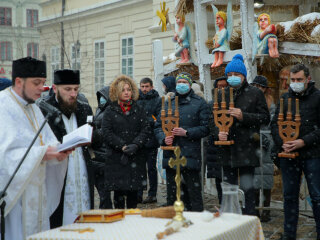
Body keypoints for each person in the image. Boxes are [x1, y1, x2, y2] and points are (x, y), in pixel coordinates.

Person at [0, 57, 70, 240]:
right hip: (16, 200)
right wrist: (42, 154)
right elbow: (4, 157)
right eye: (37, 83)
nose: (42, 88)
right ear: (18, 81)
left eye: (44, 83)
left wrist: (59, 152)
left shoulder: (34, 108)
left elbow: (46, 142)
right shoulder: (3, 106)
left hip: (37, 193)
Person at [209, 54, 270, 215]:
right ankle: (229, 218)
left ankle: (249, 217)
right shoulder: (221, 94)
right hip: (227, 149)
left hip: (247, 148)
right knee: (228, 189)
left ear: (243, 76)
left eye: (236, 75)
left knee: (247, 189)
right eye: (229, 75)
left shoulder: (255, 94)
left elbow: (265, 118)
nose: (232, 78)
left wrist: (244, 116)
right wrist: (218, 133)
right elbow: (212, 120)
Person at [39, 69, 95, 227]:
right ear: (55, 89)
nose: (73, 94)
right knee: (58, 220)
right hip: (58, 172)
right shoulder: (44, 110)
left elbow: (95, 140)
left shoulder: (84, 109)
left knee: (85, 221)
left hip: (82, 173)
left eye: (76, 89)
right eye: (68, 89)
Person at [271, 64, 320, 240]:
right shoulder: (284, 99)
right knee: (289, 196)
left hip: (312, 154)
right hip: (288, 155)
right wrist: (282, 142)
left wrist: (303, 141)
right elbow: (275, 125)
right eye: (293, 80)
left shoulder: (317, 98)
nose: (296, 83)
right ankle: (289, 234)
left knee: (317, 196)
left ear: (307, 79)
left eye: (299, 79)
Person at [154, 72, 210, 211]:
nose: (181, 85)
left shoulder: (199, 103)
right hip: (172, 154)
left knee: (193, 194)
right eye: (179, 82)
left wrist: (187, 132)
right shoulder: (168, 103)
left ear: (190, 85)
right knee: (173, 196)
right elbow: (158, 126)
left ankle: (196, 222)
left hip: (190, 155)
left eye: (184, 83)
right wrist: (163, 138)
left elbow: (206, 128)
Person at [102, 75, 151, 209]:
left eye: (129, 89)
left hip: (135, 157)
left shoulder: (139, 109)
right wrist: (121, 145)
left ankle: (132, 225)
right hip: (117, 159)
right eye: (123, 90)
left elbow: (146, 129)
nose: (126, 92)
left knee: (133, 198)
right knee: (118, 197)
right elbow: (106, 132)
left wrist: (135, 144)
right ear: (117, 92)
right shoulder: (110, 110)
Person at [251, 75, 275, 222]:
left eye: (260, 86)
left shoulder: (270, 103)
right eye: (255, 85)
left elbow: (271, 122)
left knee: (266, 179)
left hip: (266, 145)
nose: (257, 88)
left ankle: (265, 210)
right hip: (253, 144)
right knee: (254, 179)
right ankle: (254, 210)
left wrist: (264, 138)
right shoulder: (250, 100)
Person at [137, 77, 161, 204]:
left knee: (151, 168)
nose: (144, 89)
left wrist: (147, 121)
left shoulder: (157, 100)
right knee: (139, 168)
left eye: (147, 86)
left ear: (151, 86)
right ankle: (139, 193)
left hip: (151, 139)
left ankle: (152, 194)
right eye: (142, 86)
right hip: (139, 139)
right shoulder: (136, 99)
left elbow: (158, 118)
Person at [207, 76, 228, 204]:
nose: (222, 89)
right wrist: (218, 132)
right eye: (219, 86)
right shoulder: (211, 105)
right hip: (216, 146)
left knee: (230, 178)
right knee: (219, 177)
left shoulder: (232, 103)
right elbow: (209, 122)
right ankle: (222, 203)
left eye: (224, 86)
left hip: (230, 144)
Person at [91, 86, 113, 209]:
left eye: (104, 97)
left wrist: (93, 132)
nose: (101, 100)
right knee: (101, 187)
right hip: (96, 153)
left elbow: (105, 132)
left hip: (104, 154)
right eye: (100, 98)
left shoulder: (109, 111)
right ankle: (105, 208)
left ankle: (106, 209)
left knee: (104, 189)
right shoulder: (99, 110)